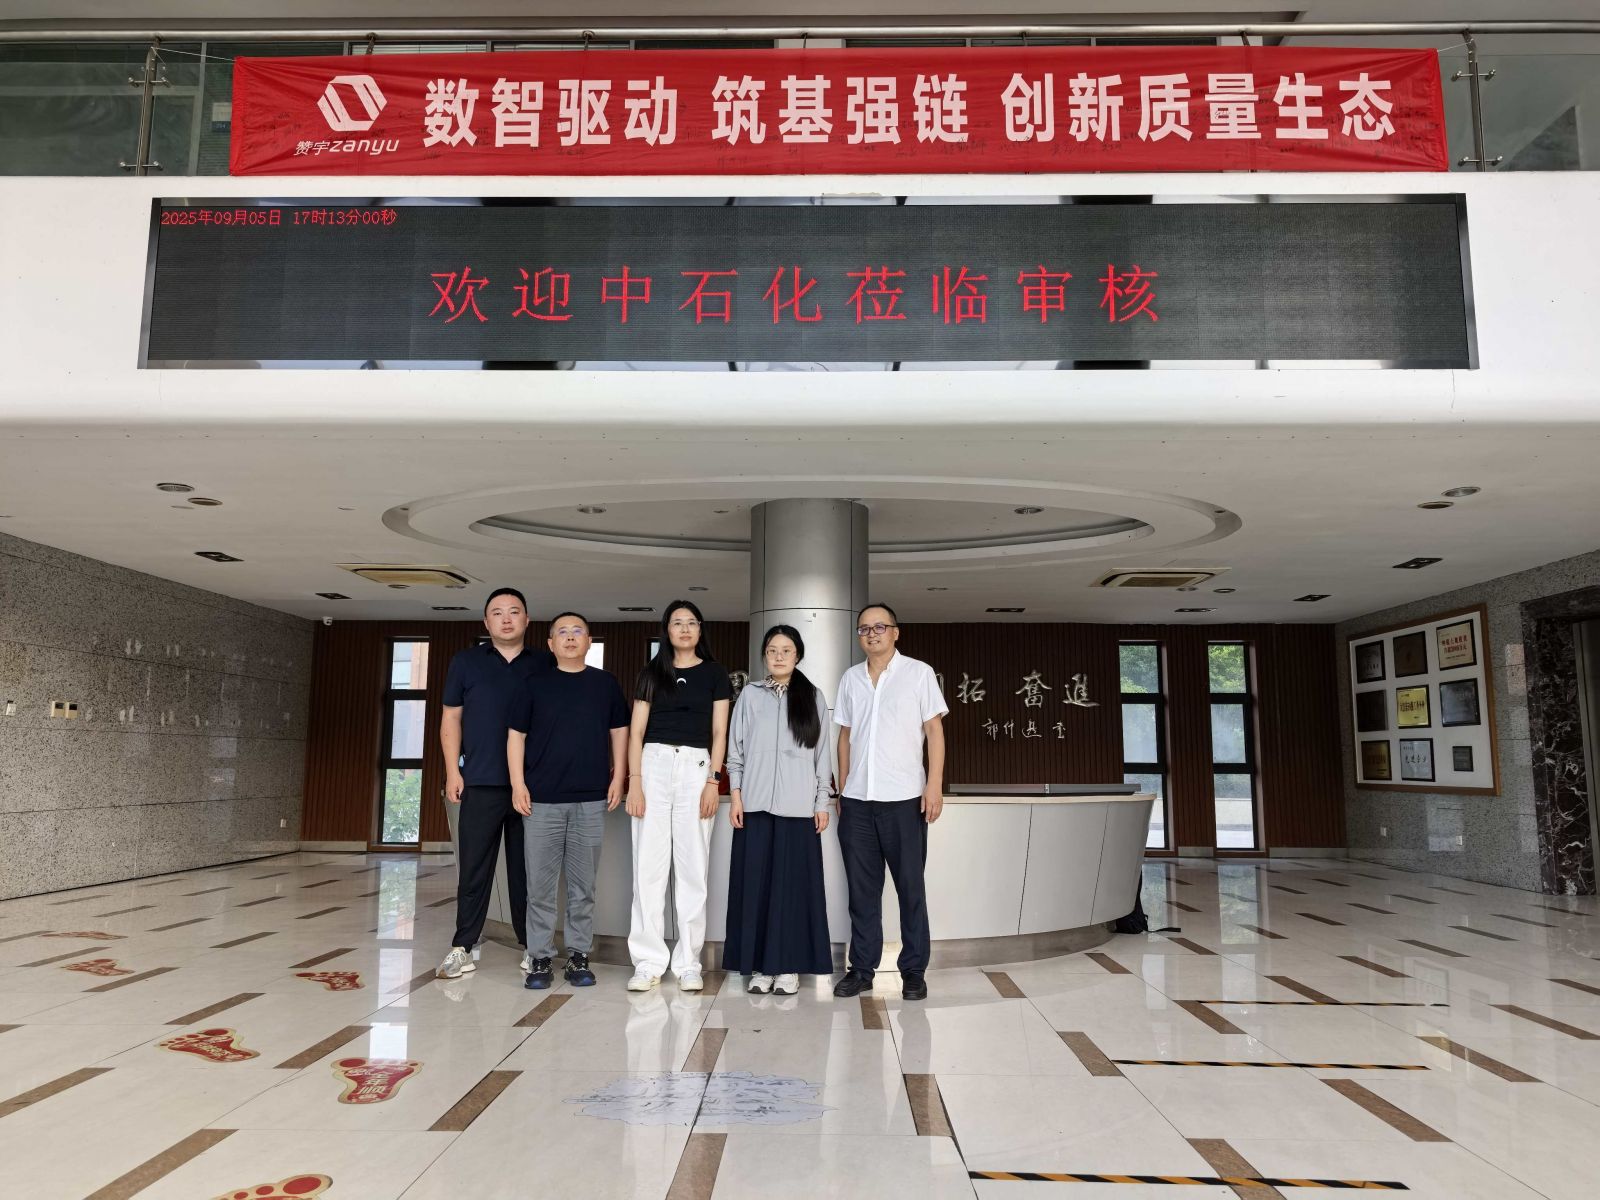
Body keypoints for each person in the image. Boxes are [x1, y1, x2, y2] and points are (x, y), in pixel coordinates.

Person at [831, 603, 948, 1002]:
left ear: (896, 632)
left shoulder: (918, 673)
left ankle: (913, 972)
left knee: (910, 889)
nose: (872, 633)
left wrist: (934, 785)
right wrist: (843, 787)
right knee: (862, 893)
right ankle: (862, 969)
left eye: (880, 627)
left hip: (904, 800)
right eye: (864, 628)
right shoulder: (851, 678)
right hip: (857, 803)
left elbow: (934, 731)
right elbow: (845, 736)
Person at [508, 612, 629, 990]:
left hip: (590, 800)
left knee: (583, 887)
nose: (571, 637)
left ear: (589, 641)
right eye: (562, 632)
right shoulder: (532, 684)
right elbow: (515, 737)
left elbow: (620, 732)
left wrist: (619, 776)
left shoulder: (605, 684)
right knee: (540, 888)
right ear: (551, 643)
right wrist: (517, 784)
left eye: (578, 631)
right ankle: (540, 956)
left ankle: (578, 955)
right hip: (541, 801)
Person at [437, 588, 554, 980]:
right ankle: (462, 947)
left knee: (528, 873)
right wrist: (453, 771)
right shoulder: (466, 662)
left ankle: (532, 947)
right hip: (481, 781)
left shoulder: (545, 662)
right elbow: (451, 719)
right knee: (474, 869)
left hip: (532, 787)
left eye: (514, 612)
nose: (506, 619)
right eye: (498, 613)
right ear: (486, 622)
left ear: (527, 620)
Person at [625, 600, 731, 992]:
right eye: (677, 623)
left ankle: (689, 963)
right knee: (648, 870)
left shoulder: (715, 674)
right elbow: (636, 732)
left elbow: (719, 732)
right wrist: (635, 782)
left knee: (692, 870)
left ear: (700, 630)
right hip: (652, 765)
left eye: (691, 622)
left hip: (696, 768)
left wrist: (713, 782)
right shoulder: (651, 672)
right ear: (666, 630)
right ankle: (648, 963)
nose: (684, 629)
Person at [723, 625, 834, 995]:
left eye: (787, 650)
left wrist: (821, 802)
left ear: (797, 655)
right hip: (755, 807)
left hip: (798, 810)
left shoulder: (812, 696)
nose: (779, 656)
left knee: (791, 891)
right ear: (764, 655)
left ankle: (787, 967)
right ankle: (759, 967)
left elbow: (822, 755)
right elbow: (735, 751)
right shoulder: (750, 696)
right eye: (772, 650)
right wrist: (736, 796)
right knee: (755, 888)